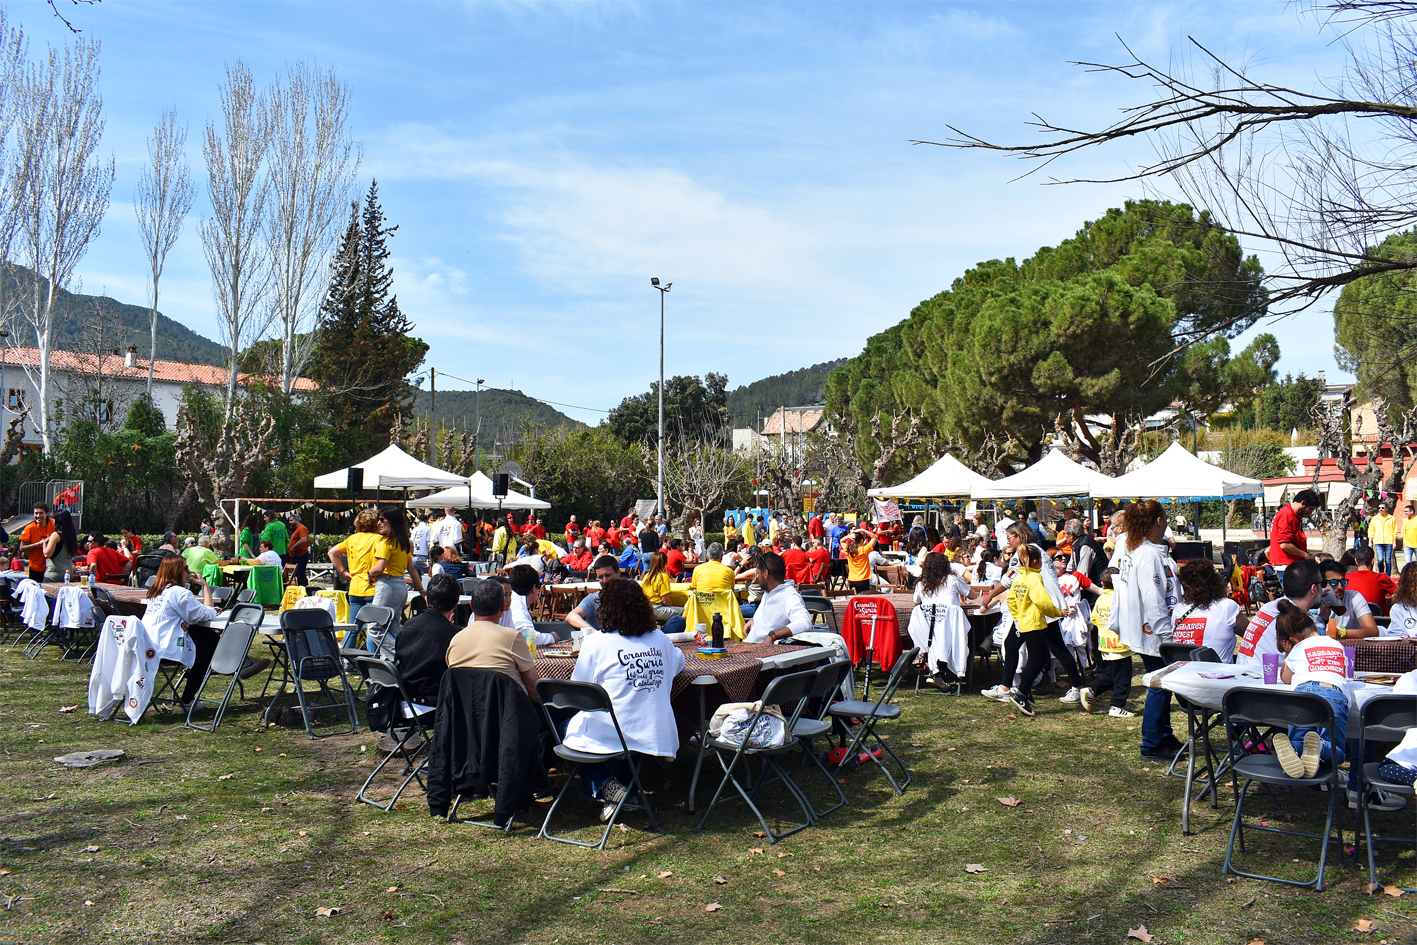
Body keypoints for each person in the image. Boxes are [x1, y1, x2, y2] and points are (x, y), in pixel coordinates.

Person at [561, 578, 685, 820]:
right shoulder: (660, 639)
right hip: (652, 730)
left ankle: (606, 785)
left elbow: (578, 689)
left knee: (566, 728)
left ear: (604, 609)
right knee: (633, 721)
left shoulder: (596, 642)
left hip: (612, 731)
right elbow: (678, 663)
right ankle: (627, 793)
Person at [1109, 499, 1183, 762]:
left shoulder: (1133, 549)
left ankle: (1163, 734)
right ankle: (1151, 742)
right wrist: (1167, 637)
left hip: (1141, 628)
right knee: (1160, 685)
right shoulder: (1147, 555)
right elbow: (1154, 600)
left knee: (1161, 683)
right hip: (1153, 631)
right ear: (1159, 521)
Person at [1271, 600, 1350, 779]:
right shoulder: (1336, 644)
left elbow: (1285, 678)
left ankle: (1295, 747)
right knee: (1338, 753)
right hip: (1333, 693)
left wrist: (1289, 652)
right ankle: (1320, 746)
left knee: (1299, 741)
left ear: (1292, 639)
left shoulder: (1297, 649)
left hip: (1303, 695)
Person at [142, 555, 218, 710]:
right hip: (164, 649)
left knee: (204, 637)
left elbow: (194, 615)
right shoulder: (178, 593)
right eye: (185, 568)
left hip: (147, 645)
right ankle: (187, 701)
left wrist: (205, 603)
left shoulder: (156, 591)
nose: (189, 572)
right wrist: (205, 586)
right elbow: (202, 615)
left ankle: (236, 663)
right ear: (177, 571)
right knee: (207, 648)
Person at [1001, 543, 1067, 716]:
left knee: (1043, 656)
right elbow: (1042, 602)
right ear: (1036, 561)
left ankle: (1026, 689)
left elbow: (1010, 601)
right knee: (1036, 658)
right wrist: (1058, 612)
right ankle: (1022, 693)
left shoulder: (1020, 577)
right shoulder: (1034, 578)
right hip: (1034, 623)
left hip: (1023, 622)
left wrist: (1017, 617)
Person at [446, 578, 540, 698]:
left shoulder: (455, 641)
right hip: (512, 713)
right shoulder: (513, 638)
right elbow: (535, 690)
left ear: (471, 606)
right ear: (502, 606)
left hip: (467, 713)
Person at [1237, 557, 1327, 666]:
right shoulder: (1300, 619)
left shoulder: (1270, 607)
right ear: (1314, 589)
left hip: (1245, 673)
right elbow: (1319, 658)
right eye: (1322, 584)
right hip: (1266, 679)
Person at [394, 573, 462, 706]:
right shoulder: (453, 635)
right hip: (433, 702)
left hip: (403, 698)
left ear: (426, 600)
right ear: (456, 603)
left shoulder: (408, 626)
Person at [1079, 569, 1133, 717]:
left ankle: (1092, 689)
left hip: (1104, 643)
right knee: (1123, 677)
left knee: (1112, 673)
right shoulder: (1120, 599)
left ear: (1102, 583)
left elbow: (1094, 619)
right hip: (1120, 645)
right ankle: (1117, 705)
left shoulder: (1101, 599)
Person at [1172, 559, 1245, 662]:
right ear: (1216, 582)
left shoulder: (1178, 609)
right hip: (1218, 675)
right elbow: (1252, 634)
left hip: (1183, 673)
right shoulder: (1226, 606)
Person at [367, 506, 424, 639]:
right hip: (400, 586)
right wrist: (421, 589)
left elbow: (380, 568)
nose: (378, 523)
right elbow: (411, 568)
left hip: (387, 585)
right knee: (393, 628)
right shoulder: (403, 543)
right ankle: (401, 655)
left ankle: (398, 655)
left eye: (382, 520)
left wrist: (370, 572)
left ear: (392, 521)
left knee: (375, 628)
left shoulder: (385, 543)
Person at [329, 509, 383, 622]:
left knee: (352, 628)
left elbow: (332, 553)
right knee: (373, 628)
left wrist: (343, 572)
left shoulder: (351, 539)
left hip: (354, 587)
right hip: (373, 587)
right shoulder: (379, 540)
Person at [1318, 558, 1379, 639]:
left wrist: (1340, 632)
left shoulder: (1354, 597)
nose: (1340, 587)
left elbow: (1373, 631)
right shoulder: (1312, 601)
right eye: (1334, 583)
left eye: (1343, 582)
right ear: (1322, 583)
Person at [1268, 488, 1320, 576]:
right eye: (1310, 509)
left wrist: (1309, 554)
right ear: (1303, 503)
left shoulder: (1293, 515)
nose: (1310, 512)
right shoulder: (1287, 515)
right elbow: (1285, 544)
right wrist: (1305, 555)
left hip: (1291, 565)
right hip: (1287, 567)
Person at [504, 564, 558, 647]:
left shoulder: (513, 600)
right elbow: (526, 636)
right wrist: (551, 637)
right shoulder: (517, 606)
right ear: (533, 588)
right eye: (538, 587)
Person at [566, 556, 623, 632]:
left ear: (618, 573)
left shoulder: (629, 596)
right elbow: (571, 616)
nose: (605, 580)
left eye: (608, 575)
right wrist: (592, 631)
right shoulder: (595, 598)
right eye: (600, 577)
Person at [640, 550, 685, 626]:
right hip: (657, 609)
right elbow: (665, 601)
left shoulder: (647, 576)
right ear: (665, 563)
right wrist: (673, 607)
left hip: (646, 607)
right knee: (685, 611)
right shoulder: (663, 576)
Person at [42, 509, 79, 583]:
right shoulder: (71, 535)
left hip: (55, 573)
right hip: (68, 572)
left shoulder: (56, 535)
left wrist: (44, 543)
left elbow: (47, 554)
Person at [19, 504, 54, 582]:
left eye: (41, 513)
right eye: (36, 513)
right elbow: (22, 548)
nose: (38, 516)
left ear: (47, 513)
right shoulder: (29, 528)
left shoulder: (53, 524)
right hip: (36, 568)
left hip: (52, 568)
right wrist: (38, 544)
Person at [843, 526, 882, 594]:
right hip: (863, 579)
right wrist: (863, 530)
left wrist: (850, 536)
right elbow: (875, 537)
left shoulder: (849, 551)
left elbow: (841, 541)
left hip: (852, 579)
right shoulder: (864, 550)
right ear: (861, 541)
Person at [1370, 502, 1397, 576]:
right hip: (1378, 542)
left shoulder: (1391, 518)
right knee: (1380, 560)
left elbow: (1394, 530)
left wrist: (1394, 542)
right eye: (1379, 508)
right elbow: (1371, 530)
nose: (1380, 509)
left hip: (1388, 542)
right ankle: (1381, 575)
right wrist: (1370, 541)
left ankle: (1388, 576)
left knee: (1388, 561)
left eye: (1382, 508)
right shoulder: (1375, 519)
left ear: (1386, 509)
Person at [287, 513, 310, 586]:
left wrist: (294, 547)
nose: (289, 522)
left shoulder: (302, 528)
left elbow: (304, 539)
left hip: (301, 555)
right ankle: (301, 587)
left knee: (300, 573)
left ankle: (304, 588)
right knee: (297, 574)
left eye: (291, 520)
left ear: (297, 520)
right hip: (296, 555)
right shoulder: (296, 529)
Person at [1404, 502, 1417, 567]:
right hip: (1408, 545)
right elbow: (1404, 532)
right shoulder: (1405, 521)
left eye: (1407, 511)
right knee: (1408, 563)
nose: (1405, 513)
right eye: (1404, 511)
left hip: (1416, 545)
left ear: (1412, 512)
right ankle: (1408, 576)